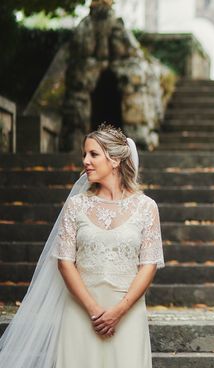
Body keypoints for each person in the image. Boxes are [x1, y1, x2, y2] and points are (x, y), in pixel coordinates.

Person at [0, 124, 164, 367]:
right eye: (84, 155)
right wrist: (94, 311)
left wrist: (118, 311)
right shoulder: (76, 205)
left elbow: (148, 265)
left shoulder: (146, 207)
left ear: (115, 160)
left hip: (127, 312)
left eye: (93, 154)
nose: (86, 161)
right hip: (80, 310)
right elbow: (65, 263)